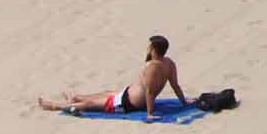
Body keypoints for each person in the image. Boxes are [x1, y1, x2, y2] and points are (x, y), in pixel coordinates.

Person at [39, 35, 189, 120]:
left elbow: (150, 92)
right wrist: (184, 102)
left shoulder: (152, 68)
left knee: (91, 104)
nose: (147, 48)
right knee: (106, 93)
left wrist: (149, 113)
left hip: (128, 104)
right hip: (127, 95)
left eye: (149, 46)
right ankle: (75, 97)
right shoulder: (169, 63)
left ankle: (54, 106)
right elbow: (175, 86)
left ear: (154, 49)